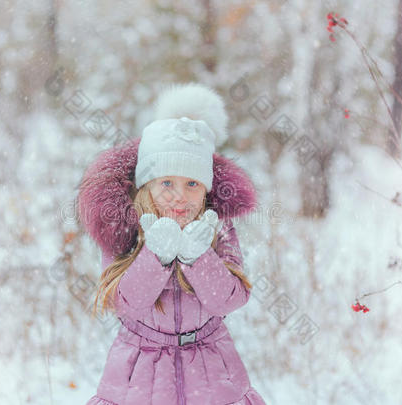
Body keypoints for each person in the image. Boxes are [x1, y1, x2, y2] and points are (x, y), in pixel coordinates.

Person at [77, 83, 266, 405]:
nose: (179, 196)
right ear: (147, 187)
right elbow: (126, 304)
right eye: (167, 183)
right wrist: (156, 256)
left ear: (205, 189)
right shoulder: (125, 229)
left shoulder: (216, 227)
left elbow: (228, 300)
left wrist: (198, 257)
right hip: (139, 373)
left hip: (212, 372)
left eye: (192, 184)